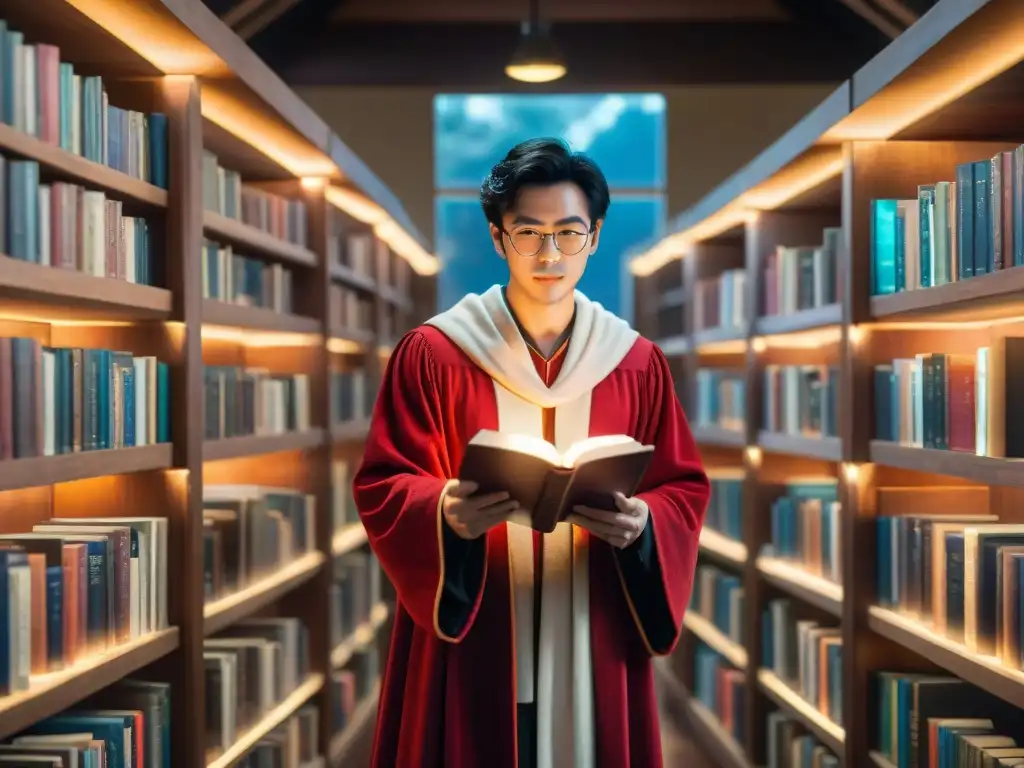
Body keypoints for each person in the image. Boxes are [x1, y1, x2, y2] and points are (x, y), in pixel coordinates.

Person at [352, 137, 710, 768]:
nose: (550, 254)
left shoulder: (635, 362)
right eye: (528, 232)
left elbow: (681, 487)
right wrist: (444, 513)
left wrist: (644, 524)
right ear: (498, 237)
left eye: (569, 233)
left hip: (592, 619)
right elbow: (384, 480)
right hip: (477, 628)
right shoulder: (435, 354)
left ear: (595, 237)